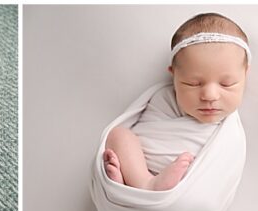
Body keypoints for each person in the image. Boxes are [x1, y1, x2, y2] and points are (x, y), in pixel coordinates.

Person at [103, 13, 249, 190]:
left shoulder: (231, 132)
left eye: (227, 84)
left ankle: (138, 187)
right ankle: (142, 183)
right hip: (141, 168)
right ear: (174, 75)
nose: (209, 96)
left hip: (189, 185)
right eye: (193, 83)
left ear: (245, 74)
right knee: (118, 134)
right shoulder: (163, 98)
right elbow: (145, 134)